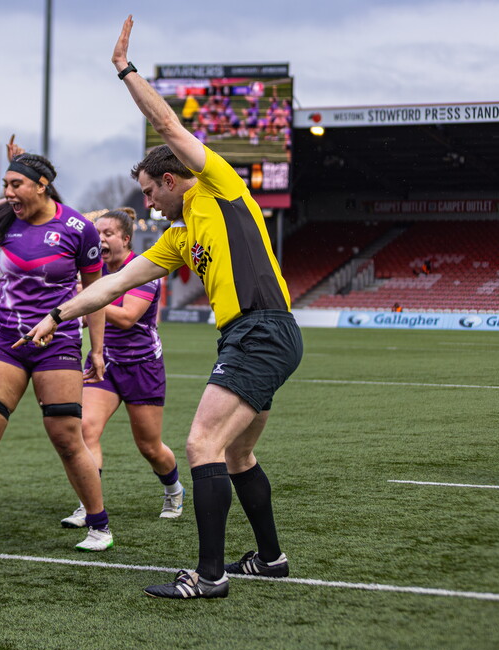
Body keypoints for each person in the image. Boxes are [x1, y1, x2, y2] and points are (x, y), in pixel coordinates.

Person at [21, 16, 303, 600]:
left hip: (262, 330)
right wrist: (56, 316)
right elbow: (110, 286)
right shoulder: (177, 238)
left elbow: (168, 124)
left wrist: (125, 69)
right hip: (252, 335)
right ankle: (270, 558)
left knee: (202, 446)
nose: (147, 203)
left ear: (173, 179)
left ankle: (210, 576)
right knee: (238, 452)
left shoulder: (220, 187)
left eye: (150, 191)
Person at [0, 151, 113, 554]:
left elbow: (97, 293)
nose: (9, 193)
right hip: (6, 343)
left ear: (42, 186)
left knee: (66, 437)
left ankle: (99, 525)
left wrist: (97, 349)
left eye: (17, 185)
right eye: (6, 185)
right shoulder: (1, 225)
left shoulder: (78, 228)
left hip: (57, 343)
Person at [59, 207, 184, 529]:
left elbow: (128, 317)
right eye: (97, 233)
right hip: (104, 363)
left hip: (142, 366)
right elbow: (85, 318)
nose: (101, 239)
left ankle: (174, 490)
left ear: (126, 239)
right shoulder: (94, 273)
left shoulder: (142, 269)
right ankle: (88, 506)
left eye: (109, 234)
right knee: (86, 429)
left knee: (149, 447)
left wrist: (90, 298)